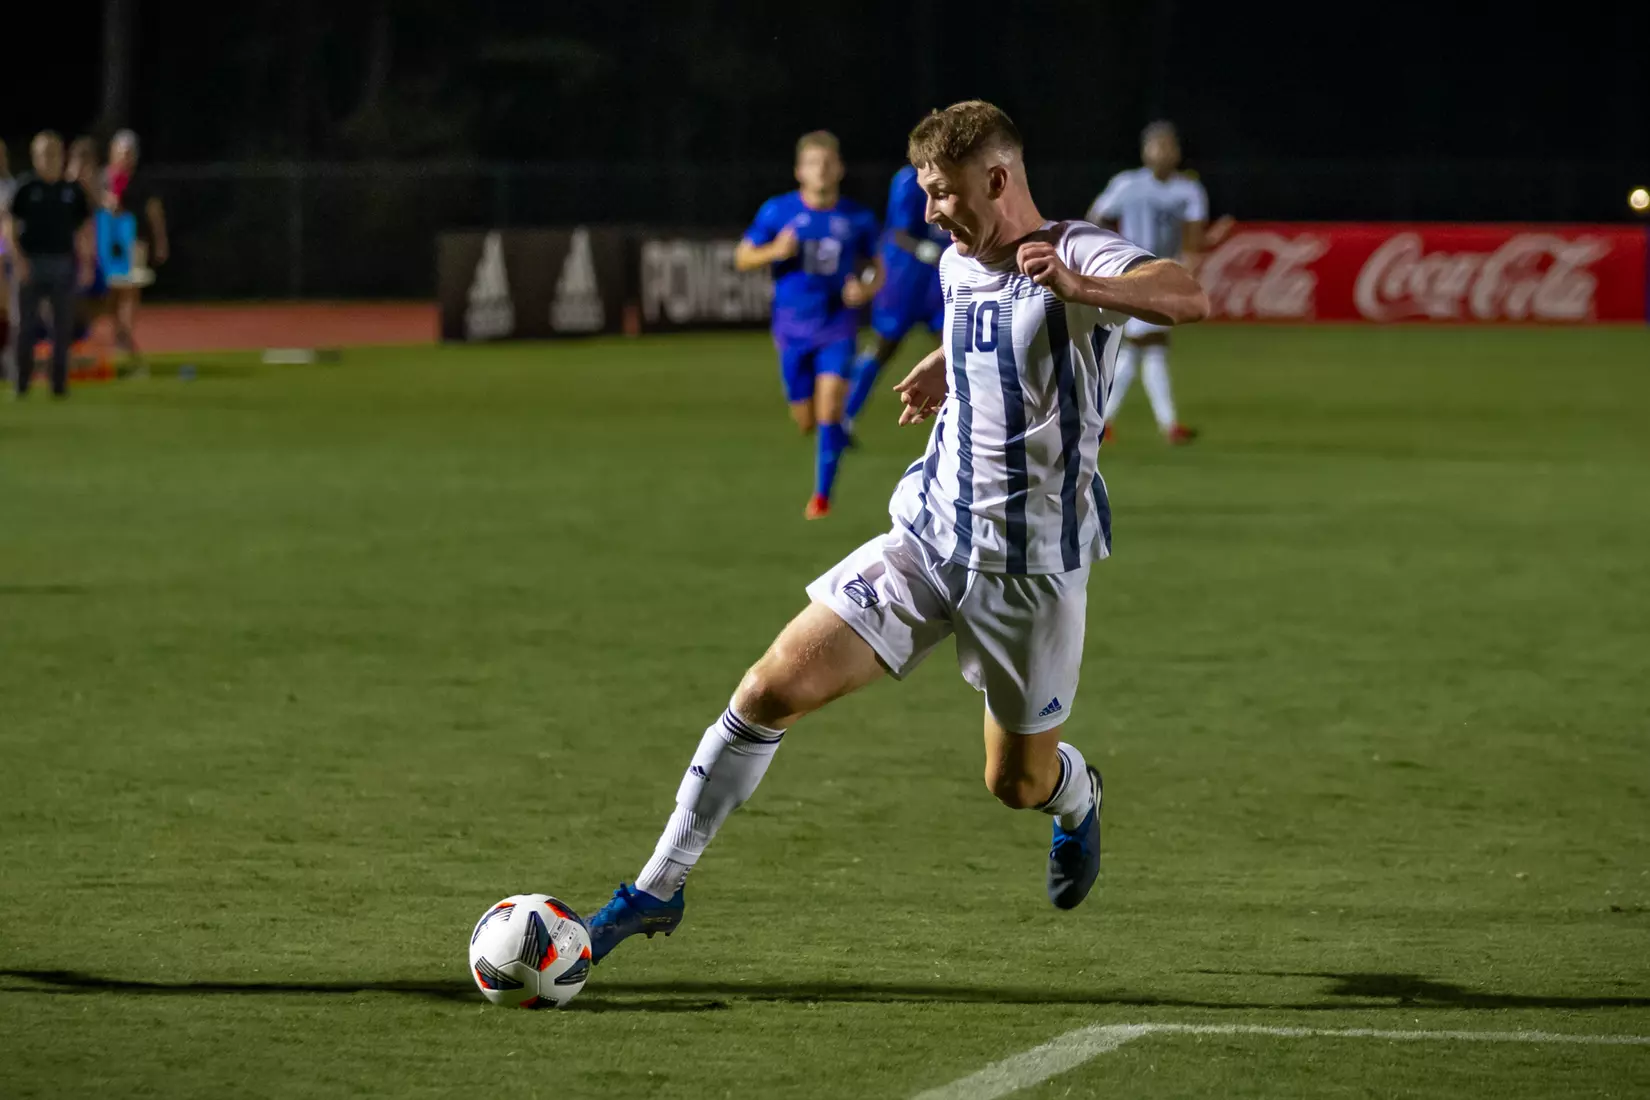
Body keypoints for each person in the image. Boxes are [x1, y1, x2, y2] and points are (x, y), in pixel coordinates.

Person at [583, 101, 1208, 963]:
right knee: (769, 688)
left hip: (1030, 570)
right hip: (926, 538)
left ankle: (1075, 797)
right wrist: (946, 364)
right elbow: (987, 326)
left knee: (1014, 782)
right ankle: (656, 890)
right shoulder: (958, 263)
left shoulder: (1078, 247)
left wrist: (1081, 288)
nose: (929, 213)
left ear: (997, 179)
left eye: (943, 193)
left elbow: (1187, 294)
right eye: (923, 192)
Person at [734, 131, 882, 520]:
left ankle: (821, 497)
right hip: (792, 328)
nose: (822, 169)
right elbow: (743, 257)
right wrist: (774, 251)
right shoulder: (777, 212)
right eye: (815, 163)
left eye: (829, 162)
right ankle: (825, 432)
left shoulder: (858, 218)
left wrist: (863, 291)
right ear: (800, 171)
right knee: (805, 419)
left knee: (830, 409)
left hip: (838, 325)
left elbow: (876, 270)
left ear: (840, 169)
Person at [1086, 121, 1230, 444]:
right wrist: (1110, 254)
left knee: (1143, 350)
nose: (1163, 151)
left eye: (1168, 145)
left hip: (1165, 272)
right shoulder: (1127, 184)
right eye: (1157, 145)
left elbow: (1193, 240)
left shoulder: (1188, 189)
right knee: (1149, 345)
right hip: (1132, 271)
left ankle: (1107, 422)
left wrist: (1200, 252)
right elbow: (1096, 217)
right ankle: (1164, 426)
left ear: (1178, 151)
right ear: (1145, 151)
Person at [841, 164, 951, 433]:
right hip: (904, 278)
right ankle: (844, 416)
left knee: (955, 348)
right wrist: (922, 248)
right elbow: (899, 232)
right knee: (883, 345)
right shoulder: (908, 180)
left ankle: (967, 418)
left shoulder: (963, 173)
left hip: (941, 277)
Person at [4, 132, 94, 398]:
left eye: (53, 153)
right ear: (35, 157)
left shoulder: (71, 191)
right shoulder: (25, 187)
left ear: (61, 156)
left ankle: (59, 385)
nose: (49, 159)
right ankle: (21, 383)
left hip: (62, 264)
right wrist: (18, 259)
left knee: (62, 327)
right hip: (30, 264)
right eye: (43, 154)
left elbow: (83, 228)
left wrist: (87, 262)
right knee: (24, 327)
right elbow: (8, 225)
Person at [104, 129, 167, 372]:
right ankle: (118, 332)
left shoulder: (142, 181)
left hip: (136, 243)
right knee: (113, 292)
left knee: (131, 291)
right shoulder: (105, 178)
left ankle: (125, 337)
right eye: (122, 152)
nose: (126, 157)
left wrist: (161, 241)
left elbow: (154, 212)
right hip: (110, 245)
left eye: (130, 152)